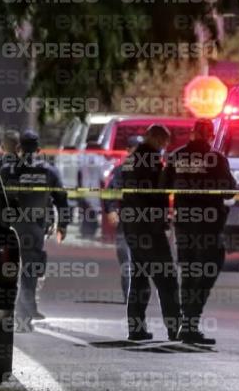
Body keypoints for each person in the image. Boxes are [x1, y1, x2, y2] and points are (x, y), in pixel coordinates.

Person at [160, 119, 236, 345]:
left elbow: (162, 187)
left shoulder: (176, 157)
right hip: (209, 226)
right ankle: (190, 323)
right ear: (211, 136)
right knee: (207, 271)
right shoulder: (217, 158)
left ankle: (187, 323)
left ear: (192, 134)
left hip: (184, 224)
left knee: (189, 272)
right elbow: (229, 191)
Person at [0, 130, 70, 332]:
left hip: (10, 229)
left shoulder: (6, 170)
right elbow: (62, 200)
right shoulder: (49, 171)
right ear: (39, 150)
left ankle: (7, 313)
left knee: (8, 272)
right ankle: (23, 318)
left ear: (19, 149)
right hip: (34, 229)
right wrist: (63, 225)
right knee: (29, 273)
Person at [120, 125, 181, 341]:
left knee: (139, 279)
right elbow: (156, 195)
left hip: (132, 227)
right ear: (156, 139)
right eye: (164, 143)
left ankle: (136, 328)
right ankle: (176, 329)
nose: (165, 147)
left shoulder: (132, 158)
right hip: (149, 229)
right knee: (167, 279)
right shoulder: (152, 160)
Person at [103, 135, 144, 304]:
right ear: (128, 151)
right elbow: (110, 191)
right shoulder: (121, 170)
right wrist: (111, 210)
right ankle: (130, 296)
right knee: (126, 260)